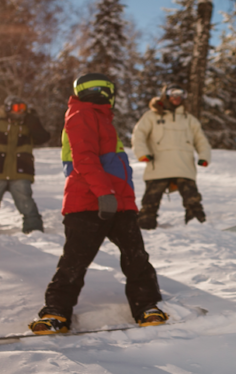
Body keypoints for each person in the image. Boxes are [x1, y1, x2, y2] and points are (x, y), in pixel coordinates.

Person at [29, 73, 168, 335]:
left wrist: (123, 200)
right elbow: (84, 159)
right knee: (75, 260)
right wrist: (104, 193)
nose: (101, 95)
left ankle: (147, 306)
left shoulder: (102, 120)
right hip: (88, 202)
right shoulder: (81, 115)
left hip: (119, 203)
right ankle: (55, 311)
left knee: (136, 258)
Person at [132, 84, 212, 229]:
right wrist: (142, 153)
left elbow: (201, 139)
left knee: (192, 200)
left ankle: (199, 227)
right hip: (158, 165)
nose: (177, 97)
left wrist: (204, 156)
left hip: (184, 165)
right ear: (166, 95)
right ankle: (145, 227)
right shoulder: (152, 116)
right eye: (173, 93)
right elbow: (139, 135)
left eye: (181, 94)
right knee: (150, 201)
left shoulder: (189, 119)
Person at [0, 96, 50, 236]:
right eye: (16, 108)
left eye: (23, 108)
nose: (20, 111)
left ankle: (34, 229)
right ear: (7, 108)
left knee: (25, 200)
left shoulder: (29, 126)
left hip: (21, 171)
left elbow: (43, 138)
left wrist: (34, 122)